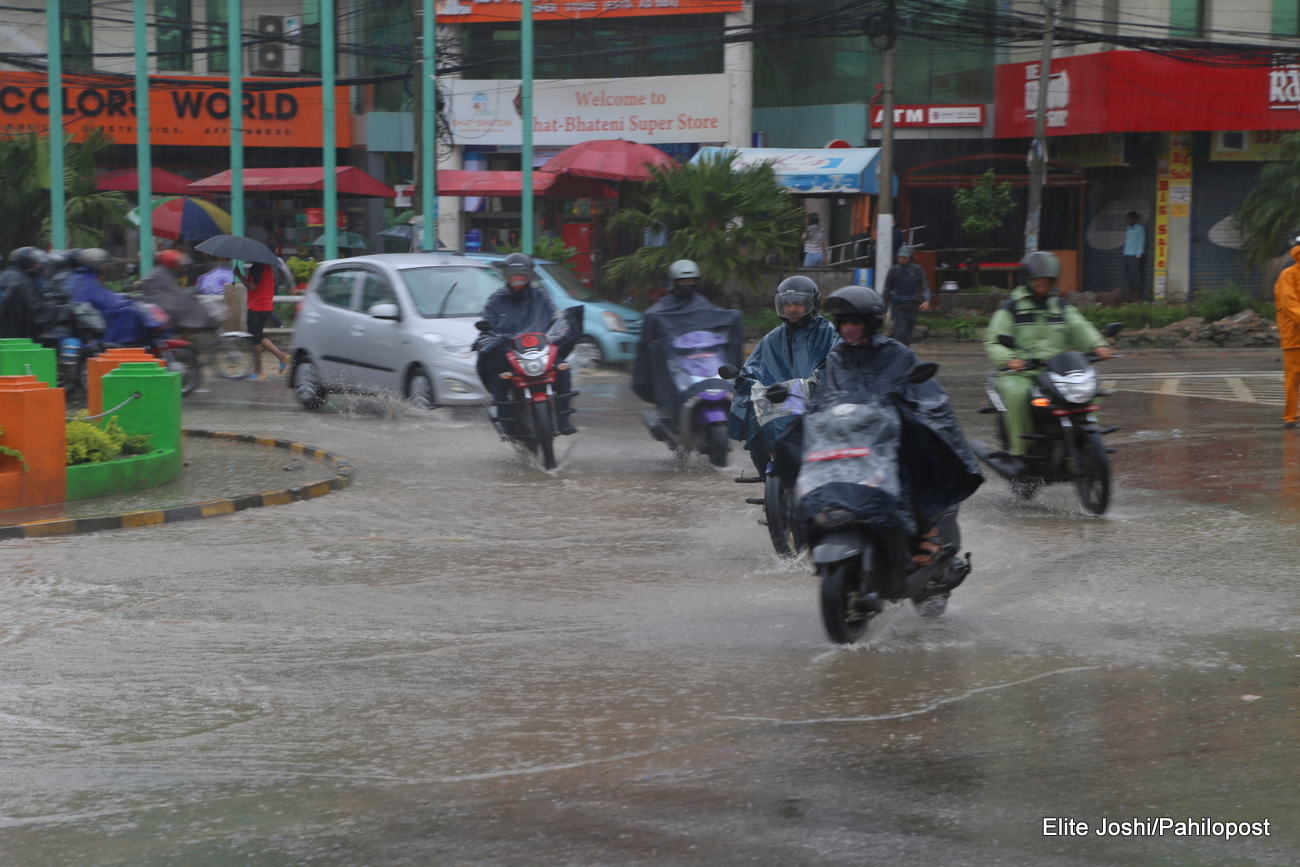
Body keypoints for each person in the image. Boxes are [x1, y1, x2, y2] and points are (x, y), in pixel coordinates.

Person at [805, 285, 982, 563]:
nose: (850, 328)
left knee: (905, 469)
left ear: (872, 323)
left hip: (888, 442)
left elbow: (928, 396)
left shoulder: (897, 354)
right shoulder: (836, 358)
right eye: (845, 322)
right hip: (851, 441)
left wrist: (909, 411)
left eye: (857, 321)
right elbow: (823, 396)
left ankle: (928, 531)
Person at [983, 251, 1112, 475]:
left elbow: (1080, 328)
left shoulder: (1060, 307)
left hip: (1056, 371)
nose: (1043, 283)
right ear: (1028, 280)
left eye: (1048, 280)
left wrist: (1097, 345)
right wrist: (1010, 360)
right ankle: (1019, 453)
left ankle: (1088, 445)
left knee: (1092, 391)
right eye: (1038, 279)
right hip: (1021, 373)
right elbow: (993, 341)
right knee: (1018, 395)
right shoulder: (1011, 308)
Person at [729, 275, 839, 475]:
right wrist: (743, 379)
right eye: (787, 304)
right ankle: (767, 480)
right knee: (758, 439)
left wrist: (813, 384)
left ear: (812, 303)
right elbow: (752, 368)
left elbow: (836, 366)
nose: (792, 309)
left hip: (819, 404)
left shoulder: (829, 334)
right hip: (780, 406)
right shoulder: (772, 338)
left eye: (798, 303)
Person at [632, 259, 744, 428]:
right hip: (676, 361)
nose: (687, 285)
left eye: (690, 281)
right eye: (682, 282)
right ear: (673, 282)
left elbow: (717, 315)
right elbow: (652, 319)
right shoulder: (661, 309)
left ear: (696, 282)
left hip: (703, 357)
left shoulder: (701, 303)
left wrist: (733, 318)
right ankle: (670, 415)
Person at [476, 252, 577, 434]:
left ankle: (564, 418)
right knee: (499, 375)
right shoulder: (496, 301)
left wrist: (562, 324)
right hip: (510, 353)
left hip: (539, 350)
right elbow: (487, 324)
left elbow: (554, 317)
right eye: (513, 274)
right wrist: (492, 336)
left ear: (529, 274)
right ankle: (506, 423)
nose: (518, 278)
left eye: (522, 273)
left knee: (563, 368)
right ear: (506, 275)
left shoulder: (540, 296)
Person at [66, 248, 144, 345]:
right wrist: (125, 300)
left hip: (88, 315)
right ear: (95, 264)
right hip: (90, 320)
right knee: (130, 312)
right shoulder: (85, 280)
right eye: (103, 264)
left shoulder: (83, 277)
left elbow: (102, 294)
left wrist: (121, 297)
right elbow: (104, 299)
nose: (105, 268)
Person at [237, 253, 291, 380]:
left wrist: (239, 275)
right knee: (258, 335)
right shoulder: (268, 268)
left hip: (257, 306)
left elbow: (252, 286)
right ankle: (281, 356)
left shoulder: (257, 267)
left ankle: (259, 371)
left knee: (255, 338)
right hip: (265, 306)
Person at [143, 249, 211, 334]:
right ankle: (186, 333)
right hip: (164, 304)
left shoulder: (163, 272)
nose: (180, 267)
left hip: (163, 301)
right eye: (178, 264)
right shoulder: (161, 274)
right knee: (192, 307)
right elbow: (172, 290)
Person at [1273, 235, 1300, 428]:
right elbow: (1290, 307)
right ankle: (1291, 416)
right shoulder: (1287, 275)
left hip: (1293, 335)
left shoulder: (1288, 274)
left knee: (1293, 377)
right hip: (1294, 334)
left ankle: (1292, 416)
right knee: (1293, 376)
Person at [0, 247, 53, 340]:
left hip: (7, 331)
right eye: (36, 263)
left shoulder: (7, 275)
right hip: (17, 334)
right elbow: (34, 309)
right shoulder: (22, 280)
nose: (39, 265)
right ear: (27, 262)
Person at [883, 245, 931, 346]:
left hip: (912, 305)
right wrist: (884, 308)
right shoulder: (893, 270)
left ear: (909, 258)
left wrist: (926, 300)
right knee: (901, 331)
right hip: (898, 305)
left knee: (908, 333)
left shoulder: (917, 270)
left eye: (904, 257)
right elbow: (887, 289)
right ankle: (900, 353)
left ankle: (904, 352)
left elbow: (924, 286)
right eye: (900, 257)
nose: (902, 259)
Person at [1123, 211, 1146, 302]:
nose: (1128, 220)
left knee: (1136, 276)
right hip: (1127, 255)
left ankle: (1138, 296)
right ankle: (1130, 296)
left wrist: (1139, 255)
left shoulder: (1140, 228)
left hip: (1136, 256)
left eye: (1129, 219)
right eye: (1127, 219)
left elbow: (1141, 241)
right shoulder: (1128, 229)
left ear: (1134, 219)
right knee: (1129, 277)